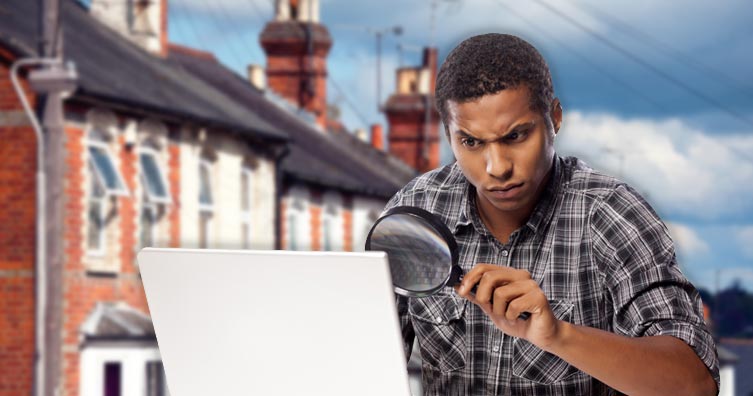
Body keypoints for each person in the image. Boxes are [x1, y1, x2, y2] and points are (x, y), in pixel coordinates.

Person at [382, 33, 719, 395]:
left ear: (555, 119)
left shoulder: (611, 215)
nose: (496, 168)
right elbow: (360, 359)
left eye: (515, 136)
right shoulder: (418, 210)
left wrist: (559, 334)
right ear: (448, 134)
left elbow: (694, 384)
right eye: (471, 142)